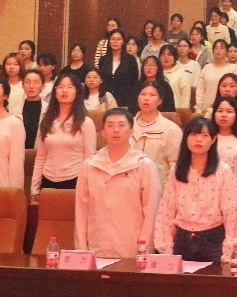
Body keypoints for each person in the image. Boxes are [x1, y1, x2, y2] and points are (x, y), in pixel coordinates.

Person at [153, 116, 237, 262]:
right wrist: (166, 247)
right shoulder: (176, 171)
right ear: (186, 139)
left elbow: (232, 211)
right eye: (193, 135)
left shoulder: (222, 171)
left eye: (204, 135)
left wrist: (231, 249)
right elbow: (166, 211)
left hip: (213, 241)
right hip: (182, 240)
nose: (198, 140)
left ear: (213, 139)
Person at [75, 108, 161, 258]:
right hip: (97, 247)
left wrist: (144, 249)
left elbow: (151, 213)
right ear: (103, 132)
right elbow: (81, 211)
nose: (116, 130)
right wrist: (82, 250)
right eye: (110, 125)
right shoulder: (89, 165)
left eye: (121, 125)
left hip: (131, 249)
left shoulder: (143, 165)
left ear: (131, 131)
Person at [30, 74, 97, 194]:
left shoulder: (85, 123)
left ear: (77, 92)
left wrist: (88, 188)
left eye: (70, 87)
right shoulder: (46, 120)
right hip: (47, 180)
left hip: (74, 180)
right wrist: (34, 188)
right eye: (60, 87)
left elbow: (89, 159)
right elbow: (41, 156)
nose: (64, 90)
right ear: (55, 92)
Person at [130, 81, 184, 184]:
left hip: (158, 185)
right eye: (143, 94)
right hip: (129, 185)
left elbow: (175, 165)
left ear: (160, 101)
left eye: (152, 95)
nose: (146, 98)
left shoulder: (171, 129)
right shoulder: (126, 125)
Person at [97, 29, 140, 110]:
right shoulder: (103, 59)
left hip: (125, 101)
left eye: (118, 39)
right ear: (109, 41)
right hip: (107, 101)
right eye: (113, 39)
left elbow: (134, 82)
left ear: (123, 42)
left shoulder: (130, 59)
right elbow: (101, 82)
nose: (115, 42)